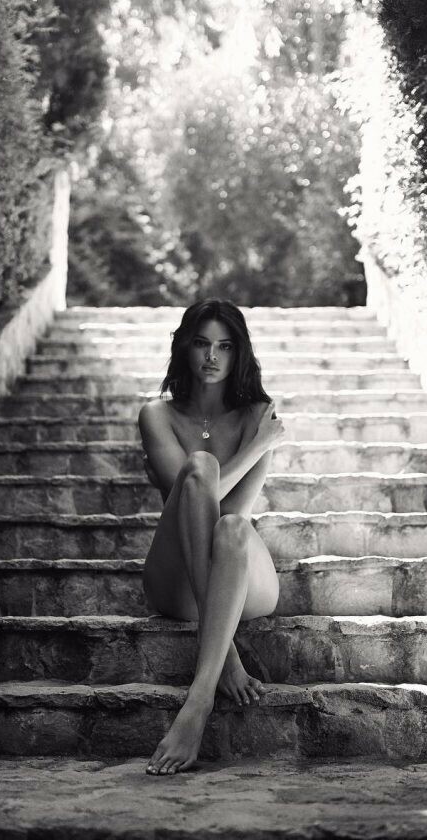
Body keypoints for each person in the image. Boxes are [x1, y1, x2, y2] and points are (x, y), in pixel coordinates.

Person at [137, 298, 285, 775]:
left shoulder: (257, 414)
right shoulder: (156, 415)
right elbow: (190, 499)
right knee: (199, 469)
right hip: (177, 579)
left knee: (234, 526)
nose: (212, 356)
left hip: (238, 573)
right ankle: (224, 655)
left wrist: (256, 441)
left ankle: (198, 702)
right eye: (202, 343)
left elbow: (231, 516)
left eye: (225, 346)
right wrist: (257, 448)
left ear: (239, 352)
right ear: (185, 347)